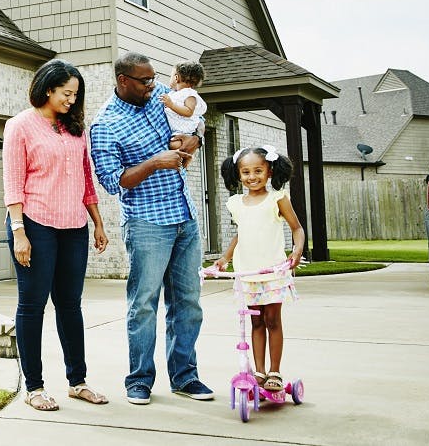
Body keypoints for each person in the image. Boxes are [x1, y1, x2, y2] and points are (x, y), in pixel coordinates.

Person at [88, 52, 213, 405]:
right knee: (143, 304)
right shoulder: (106, 124)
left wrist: (196, 141)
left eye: (154, 78)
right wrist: (156, 161)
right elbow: (114, 182)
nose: (152, 85)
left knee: (188, 303)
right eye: (144, 81)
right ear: (123, 81)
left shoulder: (160, 99)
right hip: (146, 223)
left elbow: (197, 120)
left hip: (184, 215)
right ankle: (139, 379)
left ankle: (185, 378)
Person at [3, 59, 110, 411]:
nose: (71, 100)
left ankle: (77, 381)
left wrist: (97, 221)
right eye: (67, 93)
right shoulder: (20, 126)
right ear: (48, 89)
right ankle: (34, 387)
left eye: (75, 94)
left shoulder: (75, 129)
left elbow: (85, 179)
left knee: (70, 305)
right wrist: (19, 232)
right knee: (33, 305)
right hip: (34, 223)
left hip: (73, 226)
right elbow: (13, 184)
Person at [214, 145, 305, 392]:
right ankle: (259, 372)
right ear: (238, 174)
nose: (252, 177)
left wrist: (296, 251)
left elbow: (297, 228)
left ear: (270, 170)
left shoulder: (277, 198)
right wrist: (224, 258)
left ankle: (275, 371)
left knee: (273, 319)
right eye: (245, 172)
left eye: (257, 171)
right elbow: (240, 234)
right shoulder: (235, 203)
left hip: (273, 272)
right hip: (248, 274)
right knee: (255, 323)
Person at [159, 62, 207, 159]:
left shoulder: (190, 95)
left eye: (171, 76)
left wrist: (171, 104)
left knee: (173, 145)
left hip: (184, 131)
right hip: (176, 130)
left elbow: (189, 112)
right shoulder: (174, 94)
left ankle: (186, 159)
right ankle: (185, 160)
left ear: (176, 78)